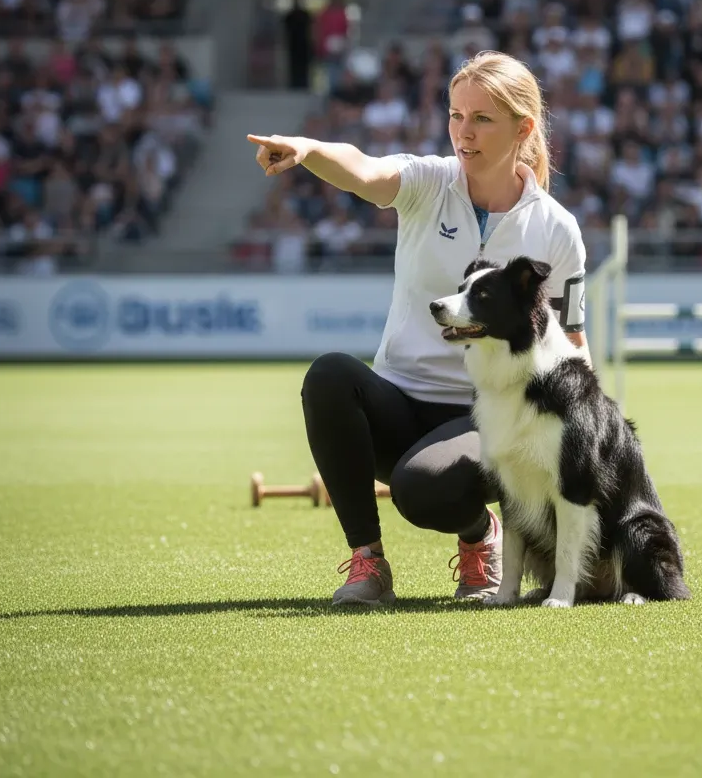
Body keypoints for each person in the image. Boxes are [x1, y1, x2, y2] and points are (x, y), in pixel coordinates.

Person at [247, 51, 589, 606]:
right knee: (330, 376)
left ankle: (481, 537)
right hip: (400, 403)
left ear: (523, 128)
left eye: (481, 119)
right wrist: (307, 150)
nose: (463, 133)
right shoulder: (430, 182)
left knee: (421, 489)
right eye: (456, 116)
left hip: (489, 417)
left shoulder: (556, 229)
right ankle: (368, 564)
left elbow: (571, 340)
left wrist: (584, 436)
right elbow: (364, 168)